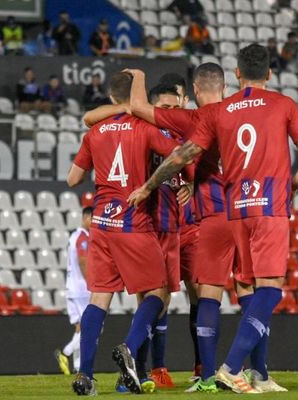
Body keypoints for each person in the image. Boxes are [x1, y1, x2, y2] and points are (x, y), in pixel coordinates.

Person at [128, 44, 298, 393]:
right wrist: (292, 186)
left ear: (237, 74)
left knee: (221, 292)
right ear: (270, 73)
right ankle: (235, 369)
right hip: (267, 207)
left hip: (232, 212)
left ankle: (237, 376)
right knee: (267, 289)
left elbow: (181, 153)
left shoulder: (218, 113)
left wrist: (149, 185)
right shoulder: (282, 105)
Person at [83, 67, 224, 389]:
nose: (170, 113)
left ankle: (200, 367)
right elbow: (90, 118)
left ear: (185, 101)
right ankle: (143, 370)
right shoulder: (148, 126)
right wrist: (126, 107)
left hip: (186, 226)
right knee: (153, 300)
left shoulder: (195, 124)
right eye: (164, 108)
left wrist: (189, 179)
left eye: (175, 107)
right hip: (151, 223)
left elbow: (196, 160)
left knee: (195, 296)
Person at [67, 72, 184, 396]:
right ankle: (130, 348)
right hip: (133, 220)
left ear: (109, 97)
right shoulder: (144, 128)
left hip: (102, 223)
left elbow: (73, 178)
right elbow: (178, 155)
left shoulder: (95, 132)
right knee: (158, 293)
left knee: (98, 299)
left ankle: (85, 376)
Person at [55, 206, 93, 376]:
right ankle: (66, 353)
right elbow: (83, 261)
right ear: (86, 218)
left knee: (80, 327)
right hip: (81, 289)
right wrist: (90, 282)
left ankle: (78, 366)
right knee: (92, 327)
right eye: (93, 218)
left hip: (72, 287)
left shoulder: (74, 236)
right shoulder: (83, 237)